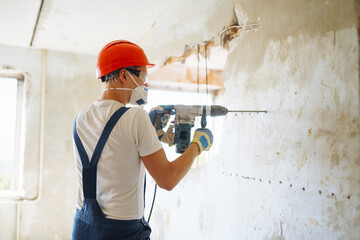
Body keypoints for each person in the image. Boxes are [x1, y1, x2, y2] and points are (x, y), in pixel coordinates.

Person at [71, 40, 213, 240]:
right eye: (143, 76)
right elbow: (168, 179)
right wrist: (197, 145)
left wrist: (150, 134)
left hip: (82, 226)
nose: (146, 84)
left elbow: (113, 152)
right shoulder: (136, 117)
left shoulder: (81, 118)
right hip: (121, 233)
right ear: (123, 75)